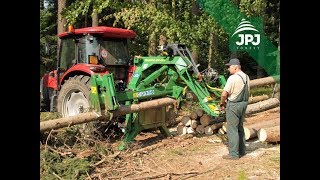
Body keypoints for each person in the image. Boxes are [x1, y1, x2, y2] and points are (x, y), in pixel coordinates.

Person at [220, 58, 250, 160]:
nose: (228, 69)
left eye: (229, 67)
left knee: (232, 129)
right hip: (244, 104)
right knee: (240, 128)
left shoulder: (232, 78)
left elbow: (224, 94)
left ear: (235, 67)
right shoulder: (246, 77)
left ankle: (233, 154)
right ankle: (242, 151)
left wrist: (222, 102)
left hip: (234, 105)